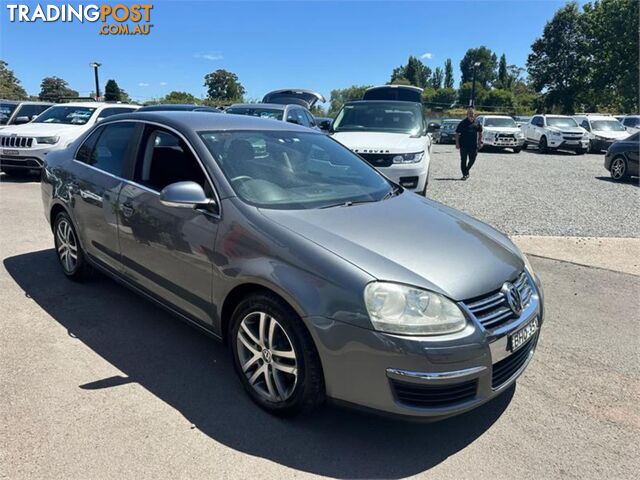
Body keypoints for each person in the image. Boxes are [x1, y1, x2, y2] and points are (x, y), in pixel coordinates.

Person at [455, 108, 483, 180]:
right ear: (467, 114)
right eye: (469, 113)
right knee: (463, 160)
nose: (471, 115)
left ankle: (466, 170)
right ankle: (465, 174)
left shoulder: (477, 123)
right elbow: (457, 133)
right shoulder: (462, 123)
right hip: (463, 145)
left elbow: (480, 133)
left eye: (472, 113)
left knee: (473, 159)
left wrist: (480, 142)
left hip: (473, 145)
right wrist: (457, 144)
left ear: (474, 114)